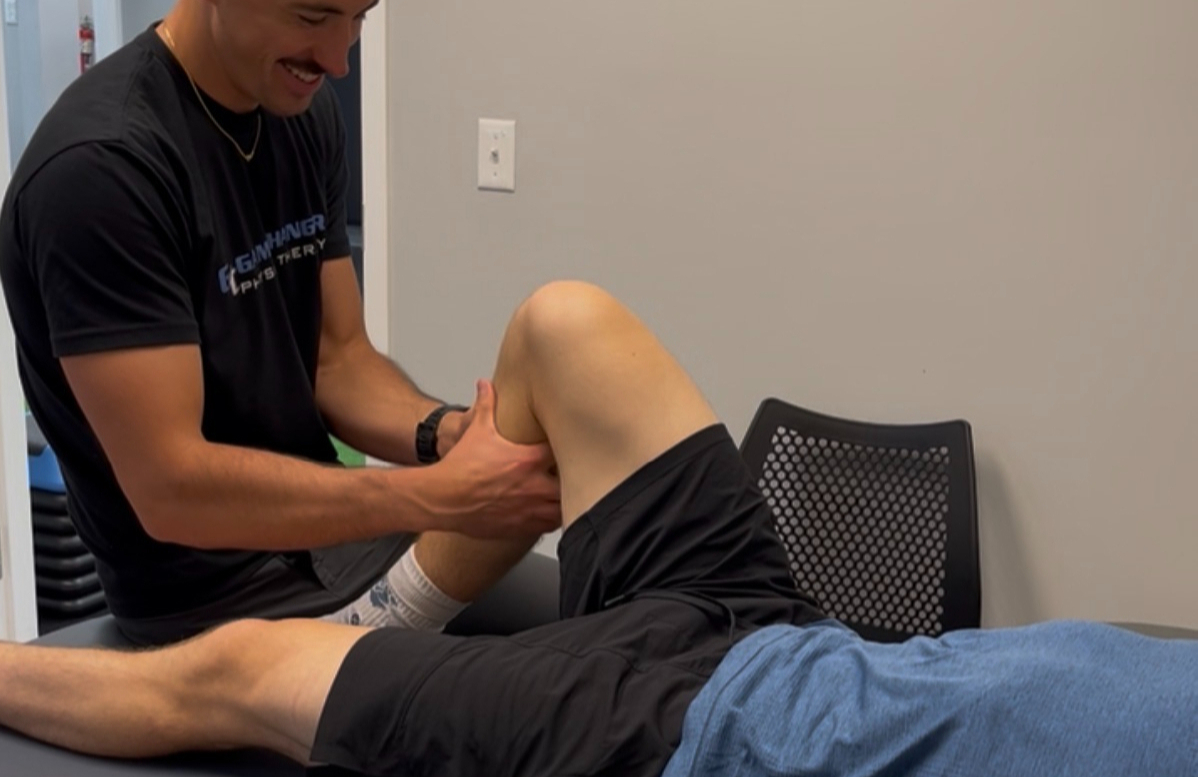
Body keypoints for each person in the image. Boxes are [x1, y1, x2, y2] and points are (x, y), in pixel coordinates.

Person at [0, 280, 1194, 777]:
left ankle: (357, 646)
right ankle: (388, 618)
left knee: (247, 666)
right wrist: (434, 469)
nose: (339, 50)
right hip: (799, 635)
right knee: (565, 321)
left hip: (685, 736)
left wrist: (414, 498)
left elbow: (319, 368)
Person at [0, 0, 560, 646]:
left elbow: (337, 361)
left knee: (602, 613)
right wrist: (435, 496)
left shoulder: (300, 112)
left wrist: (445, 437)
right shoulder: (102, 170)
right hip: (207, 607)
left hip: (327, 550)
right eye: (312, 18)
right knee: (547, 704)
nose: (339, 60)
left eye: (359, 16)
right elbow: (172, 488)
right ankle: (358, 653)